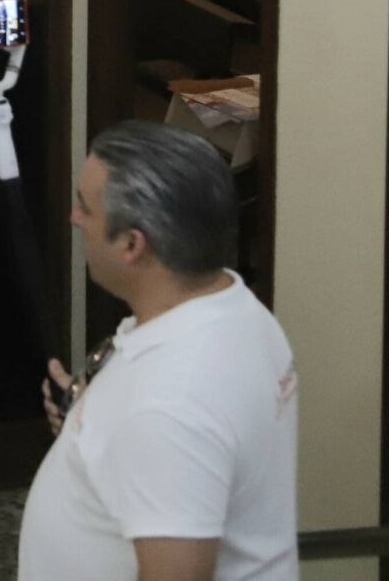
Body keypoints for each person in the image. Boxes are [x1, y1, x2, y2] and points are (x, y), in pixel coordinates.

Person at [20, 122, 298, 581]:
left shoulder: (170, 405)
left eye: (85, 207)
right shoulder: (231, 304)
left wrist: (130, 424)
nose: (74, 218)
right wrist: (90, 425)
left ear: (132, 243)